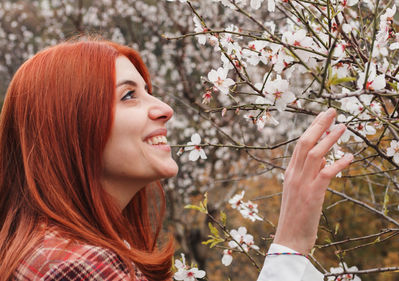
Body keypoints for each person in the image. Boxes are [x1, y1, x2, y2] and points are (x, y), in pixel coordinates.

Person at [0, 38, 353, 281]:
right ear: (70, 126)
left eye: (147, 90)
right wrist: (290, 243)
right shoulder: (73, 266)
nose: (164, 109)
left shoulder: (51, 251)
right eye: (128, 96)